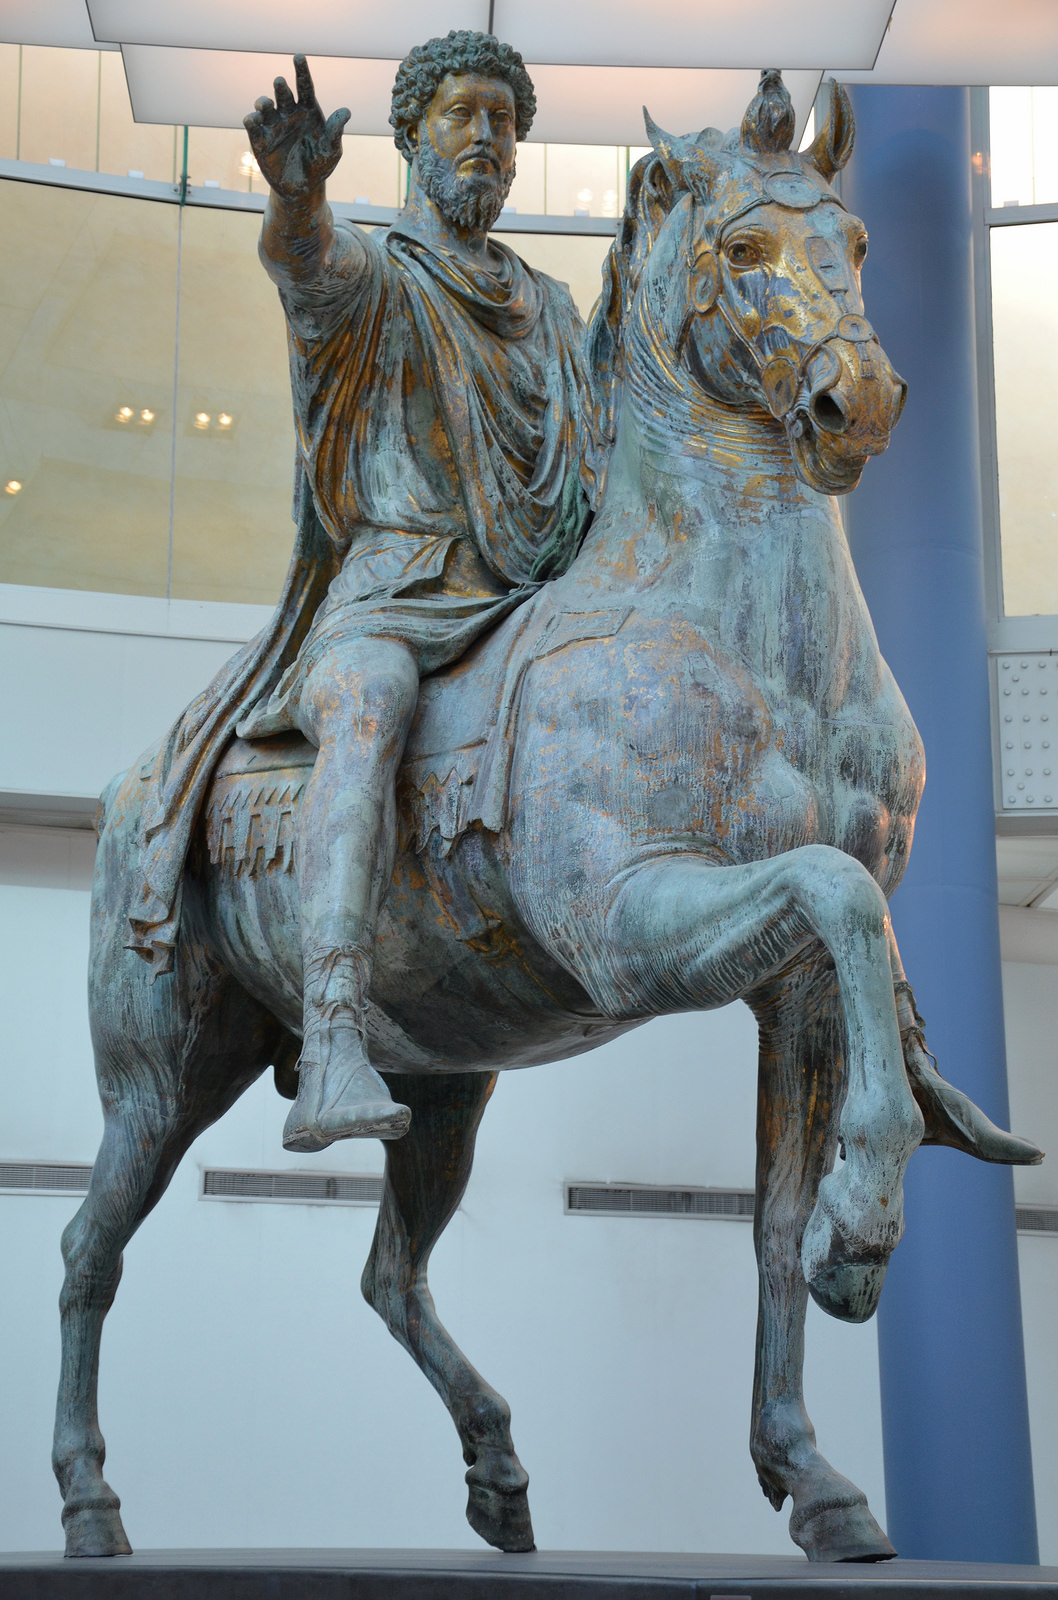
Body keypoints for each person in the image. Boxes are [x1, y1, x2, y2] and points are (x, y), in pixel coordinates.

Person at [203, 32, 594, 1153]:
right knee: (368, 704)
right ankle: (330, 1028)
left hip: (522, 602)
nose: (487, 136)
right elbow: (307, 270)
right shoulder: (380, 273)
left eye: (505, 121)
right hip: (392, 594)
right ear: (413, 136)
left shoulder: (553, 309)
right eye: (463, 114)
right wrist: (295, 201)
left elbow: (602, 466)